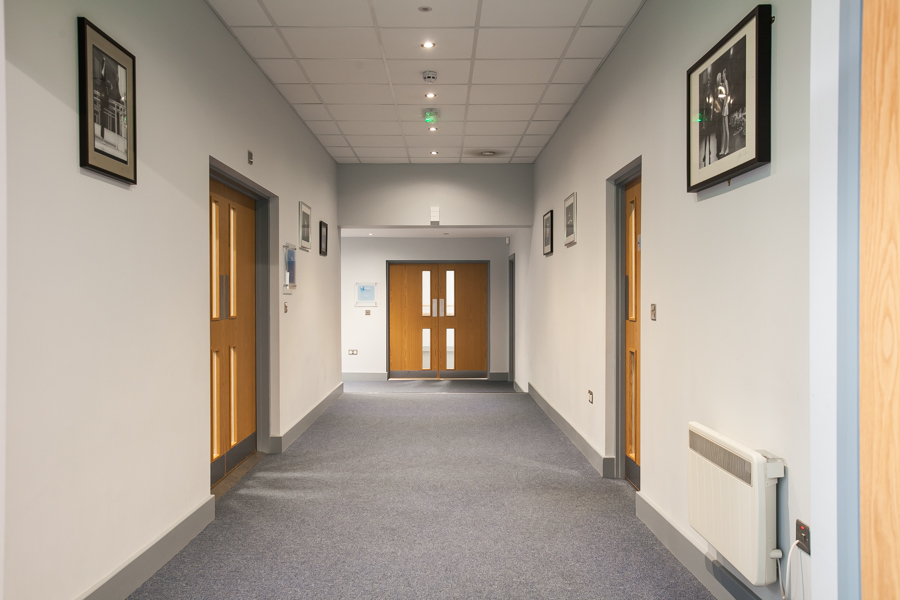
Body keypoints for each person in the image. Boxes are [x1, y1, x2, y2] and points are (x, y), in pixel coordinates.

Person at [718, 68, 731, 157]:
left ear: (725, 74)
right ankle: (722, 148)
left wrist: (724, 100)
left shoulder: (726, 83)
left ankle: (727, 148)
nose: (722, 76)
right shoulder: (723, 84)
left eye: (723, 74)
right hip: (723, 107)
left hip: (725, 108)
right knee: (723, 130)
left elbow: (727, 95)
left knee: (726, 129)